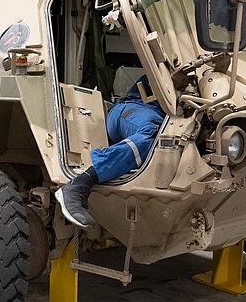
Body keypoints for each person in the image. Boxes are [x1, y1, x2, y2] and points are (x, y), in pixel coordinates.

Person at [55, 75, 165, 228]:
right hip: (132, 109)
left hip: (153, 118)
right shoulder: (181, 61)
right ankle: (79, 184)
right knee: (155, 135)